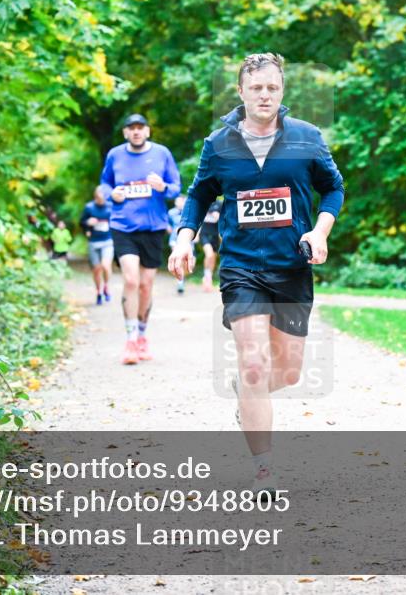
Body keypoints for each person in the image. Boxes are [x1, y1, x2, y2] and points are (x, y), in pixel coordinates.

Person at [168, 53, 344, 497]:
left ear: (282, 91)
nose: (265, 95)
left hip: (292, 267)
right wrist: (184, 239)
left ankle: (246, 392)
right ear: (241, 91)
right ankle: (264, 469)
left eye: (272, 88)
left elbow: (333, 188)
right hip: (241, 267)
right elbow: (199, 195)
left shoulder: (306, 137)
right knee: (253, 363)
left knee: (287, 373)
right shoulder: (219, 143)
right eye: (256, 88)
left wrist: (319, 231)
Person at [101, 113, 182, 365]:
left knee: (146, 284)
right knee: (131, 280)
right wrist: (111, 194)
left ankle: (143, 335)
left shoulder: (162, 153)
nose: (136, 132)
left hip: (153, 226)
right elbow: (104, 184)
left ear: (147, 131)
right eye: (131, 128)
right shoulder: (115, 155)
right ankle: (131, 339)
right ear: (125, 132)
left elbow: (176, 188)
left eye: (140, 128)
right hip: (123, 225)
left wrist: (163, 187)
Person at [79, 186, 114, 305]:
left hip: (108, 241)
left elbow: (117, 221)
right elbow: (81, 223)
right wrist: (87, 224)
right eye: (100, 194)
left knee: (106, 265)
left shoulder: (110, 206)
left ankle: (106, 286)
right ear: (96, 195)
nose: (102, 196)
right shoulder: (89, 207)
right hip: (93, 242)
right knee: (97, 269)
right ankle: (98, 291)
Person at [198, 198, 223, 292]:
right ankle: (206, 276)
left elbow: (224, 218)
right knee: (209, 254)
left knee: (213, 257)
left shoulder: (220, 203)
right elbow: (198, 218)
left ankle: (209, 278)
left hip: (215, 235)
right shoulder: (204, 201)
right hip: (204, 234)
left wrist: (219, 216)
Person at [166, 195, 189, 294]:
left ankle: (182, 277)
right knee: (177, 258)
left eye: (181, 201)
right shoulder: (171, 212)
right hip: (174, 238)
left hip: (186, 239)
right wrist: (168, 228)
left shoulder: (188, 212)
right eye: (178, 201)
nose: (179, 203)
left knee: (186, 261)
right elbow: (166, 222)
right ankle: (180, 282)